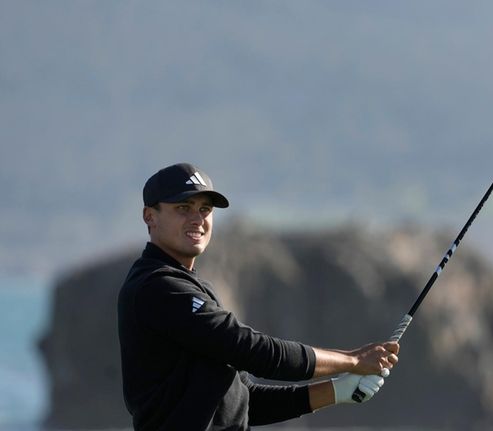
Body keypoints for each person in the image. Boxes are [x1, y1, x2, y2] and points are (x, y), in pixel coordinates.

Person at [117, 163, 399, 430]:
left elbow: (244, 401)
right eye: (183, 208)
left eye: (205, 209)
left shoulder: (193, 287)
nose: (197, 219)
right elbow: (253, 351)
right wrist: (351, 360)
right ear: (150, 217)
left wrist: (337, 391)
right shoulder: (157, 286)